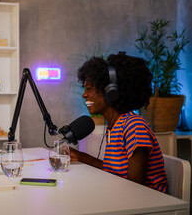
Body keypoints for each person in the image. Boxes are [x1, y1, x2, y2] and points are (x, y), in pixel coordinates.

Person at [70, 51, 168, 193]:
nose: (84, 94)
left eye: (89, 88)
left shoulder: (134, 126)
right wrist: (80, 156)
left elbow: (135, 188)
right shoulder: (116, 125)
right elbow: (114, 172)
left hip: (149, 206)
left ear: (110, 92)